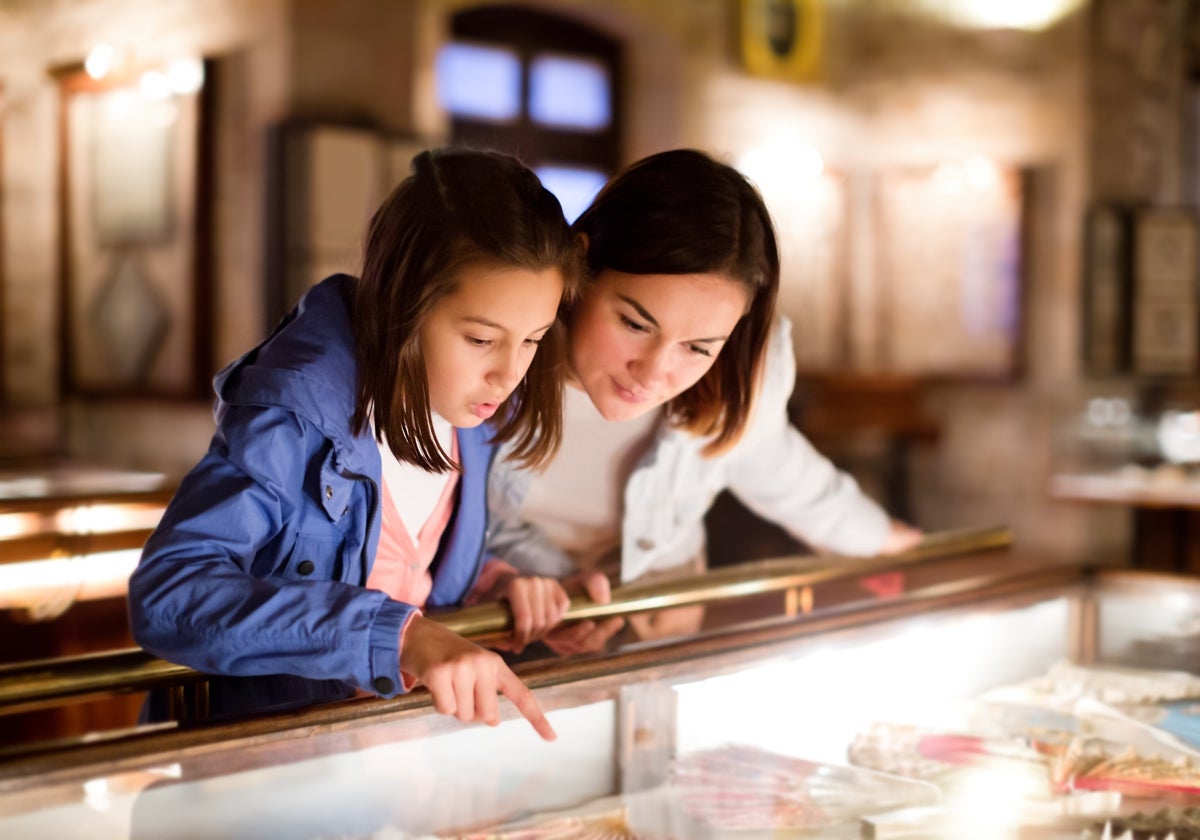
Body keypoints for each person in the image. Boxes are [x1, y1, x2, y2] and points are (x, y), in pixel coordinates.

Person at [128, 149, 584, 739]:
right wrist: (396, 636)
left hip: (383, 762)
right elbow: (171, 594)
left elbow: (405, 570)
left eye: (533, 341)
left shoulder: (475, 418)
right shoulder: (296, 419)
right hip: (262, 770)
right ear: (403, 303)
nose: (509, 374)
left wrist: (497, 585)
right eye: (479, 339)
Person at [486, 148, 923, 653]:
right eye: (634, 323)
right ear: (582, 263)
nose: (653, 372)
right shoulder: (497, 349)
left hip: (656, 636)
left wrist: (888, 541)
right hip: (501, 628)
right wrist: (552, 583)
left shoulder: (739, 374)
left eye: (698, 348)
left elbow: (781, 470)